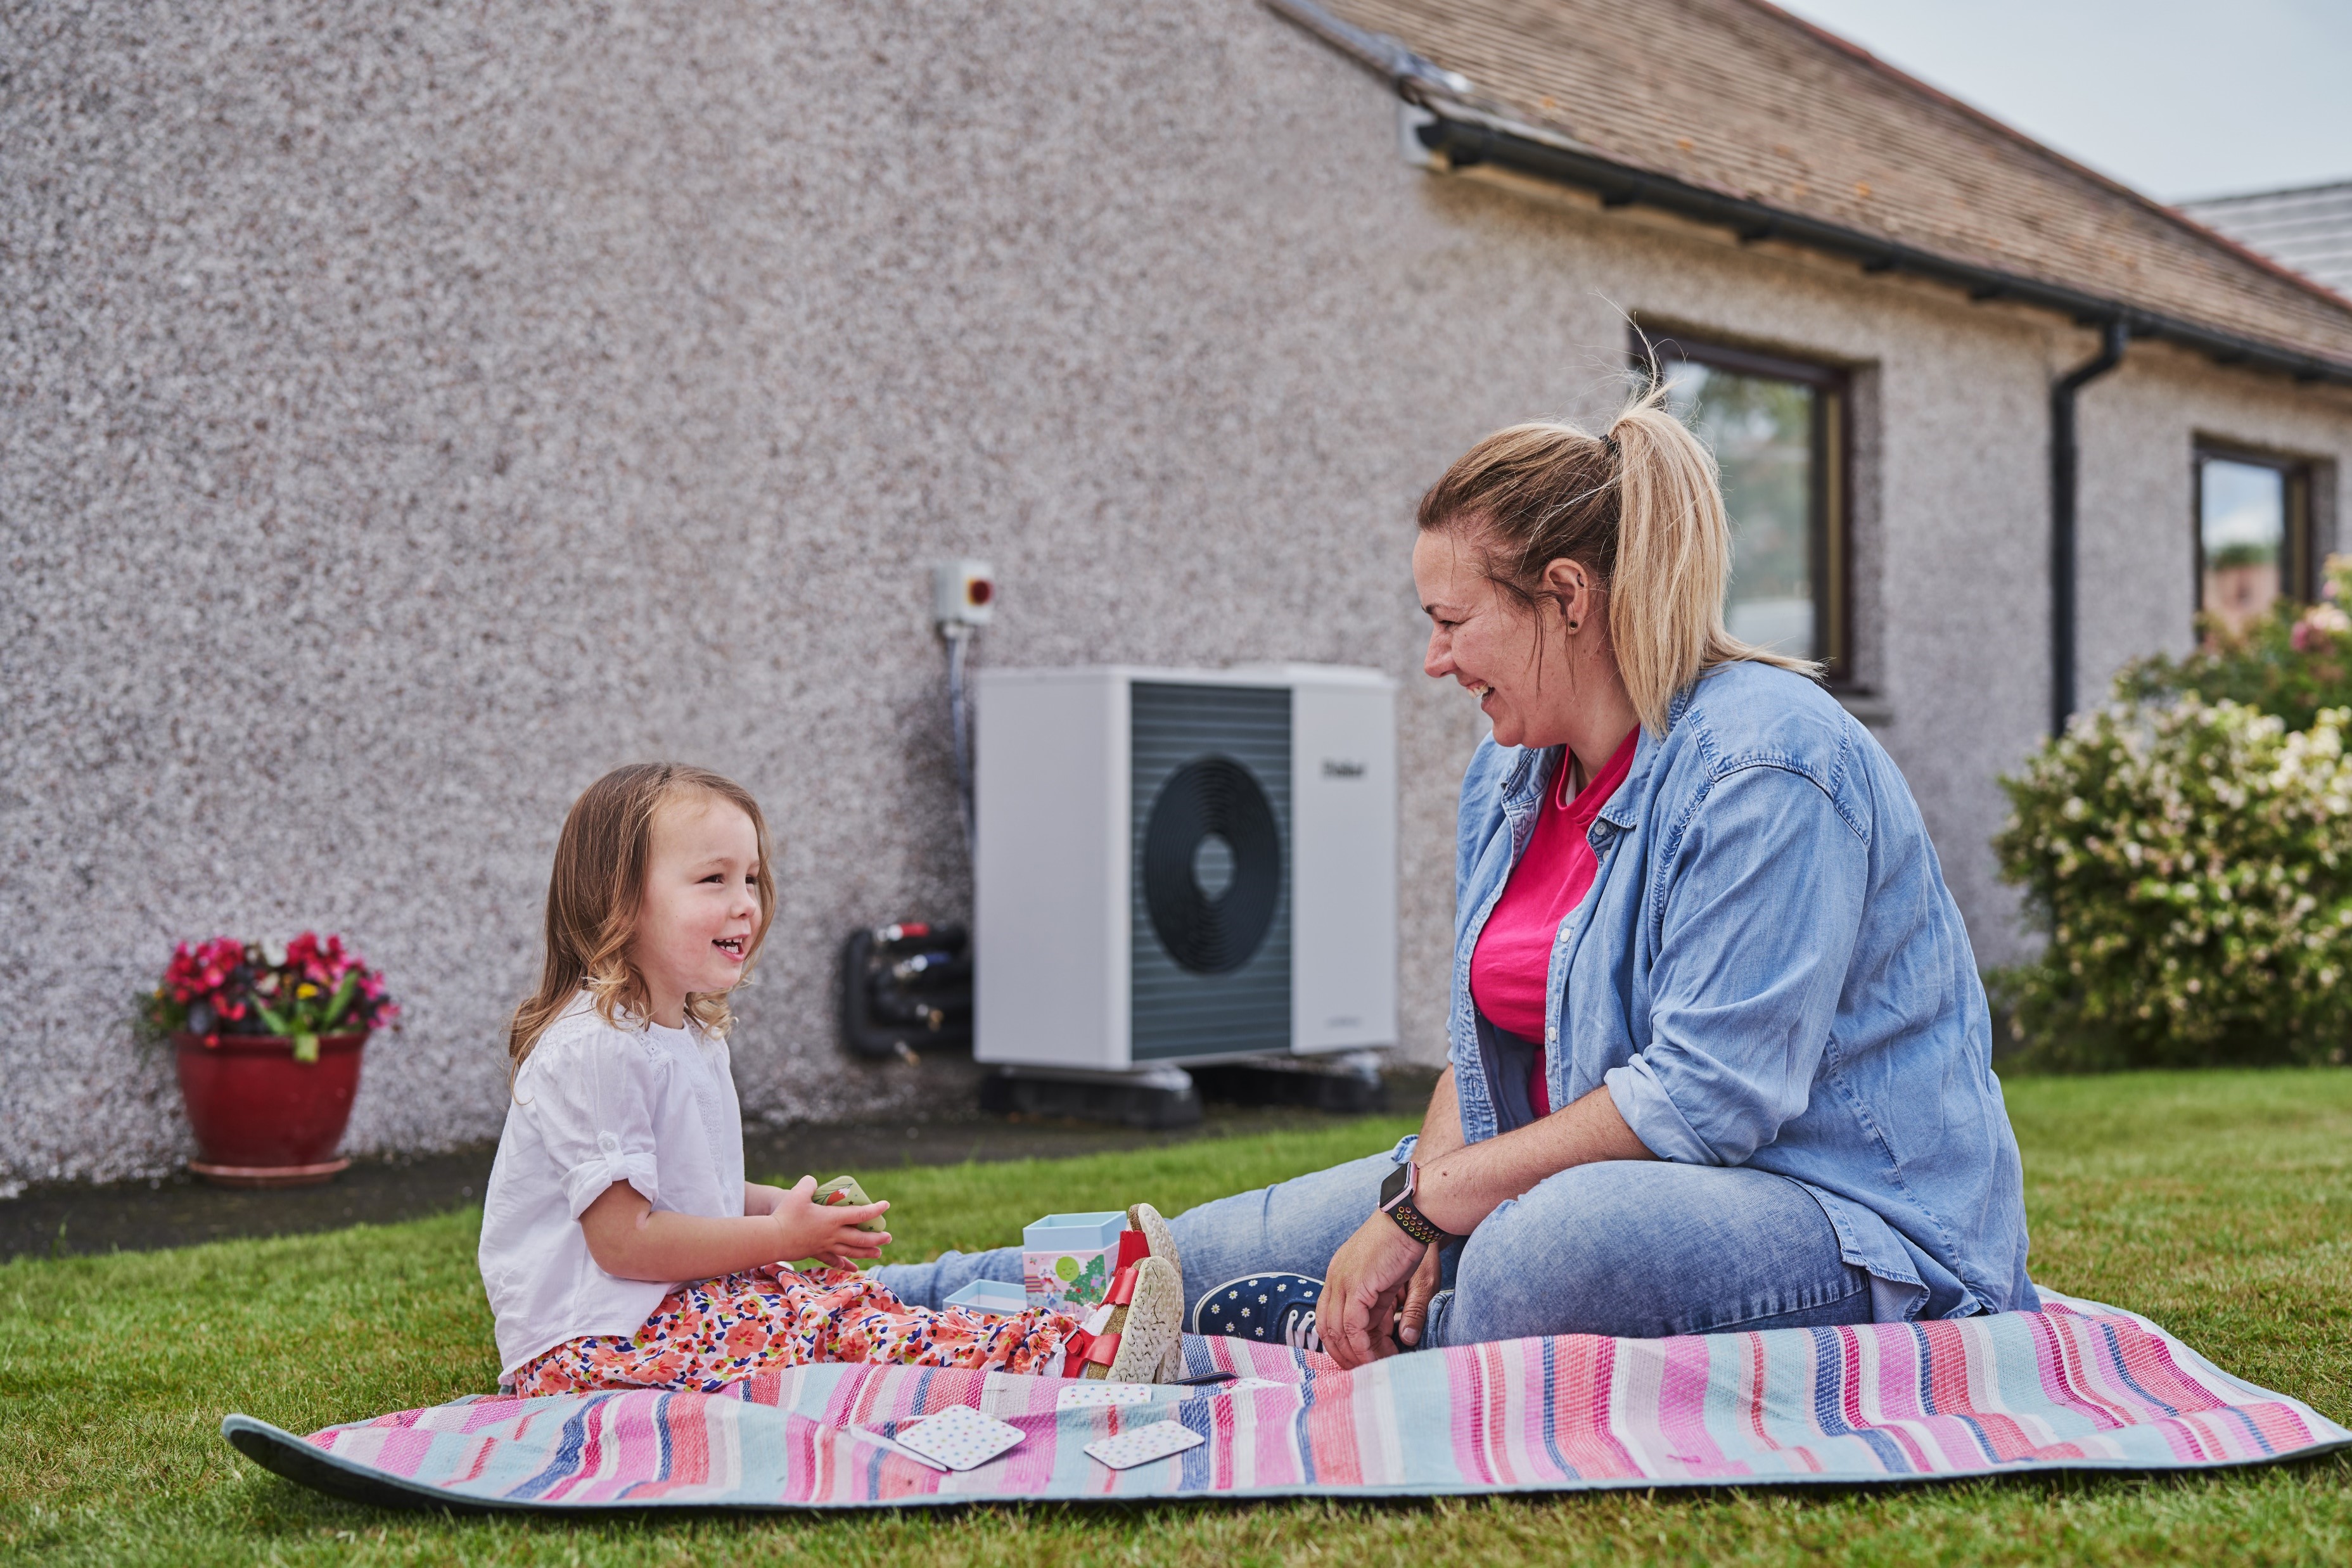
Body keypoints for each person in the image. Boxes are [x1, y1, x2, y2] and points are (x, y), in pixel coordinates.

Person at [878, 381, 2035, 1370]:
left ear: (1569, 599)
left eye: (1450, 620)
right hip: (1554, 1181)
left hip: (1854, 1226)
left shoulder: (1769, 763)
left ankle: (1311, 1341)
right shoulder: (1511, 773)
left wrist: (1428, 1208)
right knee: (1186, 1254)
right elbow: (1483, 1048)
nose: (1432, 661)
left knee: (1543, 1252)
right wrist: (1416, 1200)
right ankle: (890, 1299)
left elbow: (1706, 1100)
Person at [477, 762, 1182, 1396]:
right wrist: (782, 1237)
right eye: (712, 879)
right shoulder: (596, 1048)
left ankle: (1071, 1345)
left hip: (665, 1312)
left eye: (750, 878)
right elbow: (625, 1242)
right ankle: (1069, 1362)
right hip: (593, 1347)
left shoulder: (685, 1032)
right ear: (618, 901)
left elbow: (685, 1186)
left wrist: (788, 1210)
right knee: (832, 1328)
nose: (745, 901)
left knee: (851, 1308)